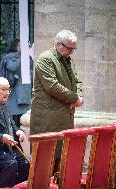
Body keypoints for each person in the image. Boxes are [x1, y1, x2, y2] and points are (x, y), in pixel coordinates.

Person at [30, 30, 83, 172]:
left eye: (74, 49)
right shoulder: (45, 59)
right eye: (69, 48)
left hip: (64, 117)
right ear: (58, 44)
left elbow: (77, 81)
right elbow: (52, 86)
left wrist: (79, 96)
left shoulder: (68, 59)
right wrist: (74, 98)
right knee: (45, 162)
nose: (72, 52)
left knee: (62, 161)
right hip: (48, 119)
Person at [0, 77, 30, 189]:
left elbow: (11, 123)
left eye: (8, 89)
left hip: (8, 148)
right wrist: (1, 137)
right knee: (11, 164)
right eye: (3, 90)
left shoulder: (4, 104)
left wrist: (18, 131)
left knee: (26, 164)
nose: (7, 93)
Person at [0, 39, 31, 128]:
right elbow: (11, 67)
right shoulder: (10, 56)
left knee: (24, 118)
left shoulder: (28, 56)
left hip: (24, 91)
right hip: (14, 91)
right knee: (15, 119)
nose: (22, 48)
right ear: (15, 47)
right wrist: (22, 57)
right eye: (20, 46)